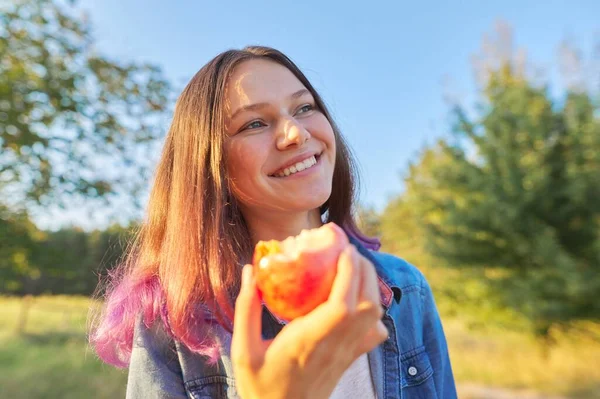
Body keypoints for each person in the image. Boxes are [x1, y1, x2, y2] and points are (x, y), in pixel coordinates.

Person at [89, 45, 457, 399]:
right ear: (209, 166)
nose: (295, 133)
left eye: (304, 107)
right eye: (254, 124)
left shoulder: (405, 289)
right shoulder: (173, 320)